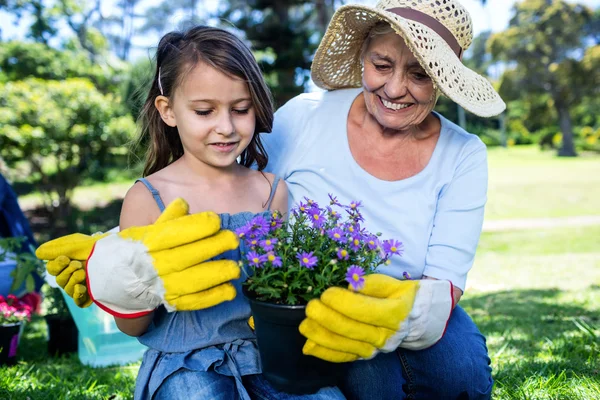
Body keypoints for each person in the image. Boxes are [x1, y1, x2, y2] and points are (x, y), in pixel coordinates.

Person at [36, 26, 345, 400]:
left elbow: (280, 294)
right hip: (184, 365)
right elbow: (131, 327)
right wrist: (125, 282)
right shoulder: (149, 197)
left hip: (269, 358)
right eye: (204, 111)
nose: (226, 127)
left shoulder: (272, 191)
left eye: (241, 109)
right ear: (168, 111)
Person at [259, 0, 505, 399]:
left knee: (462, 378)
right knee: (376, 383)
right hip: (311, 301)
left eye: (419, 74)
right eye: (382, 65)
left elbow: (445, 281)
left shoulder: (464, 154)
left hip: (410, 304)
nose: (393, 89)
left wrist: (387, 317)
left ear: (441, 80)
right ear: (362, 58)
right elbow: (239, 198)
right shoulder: (304, 117)